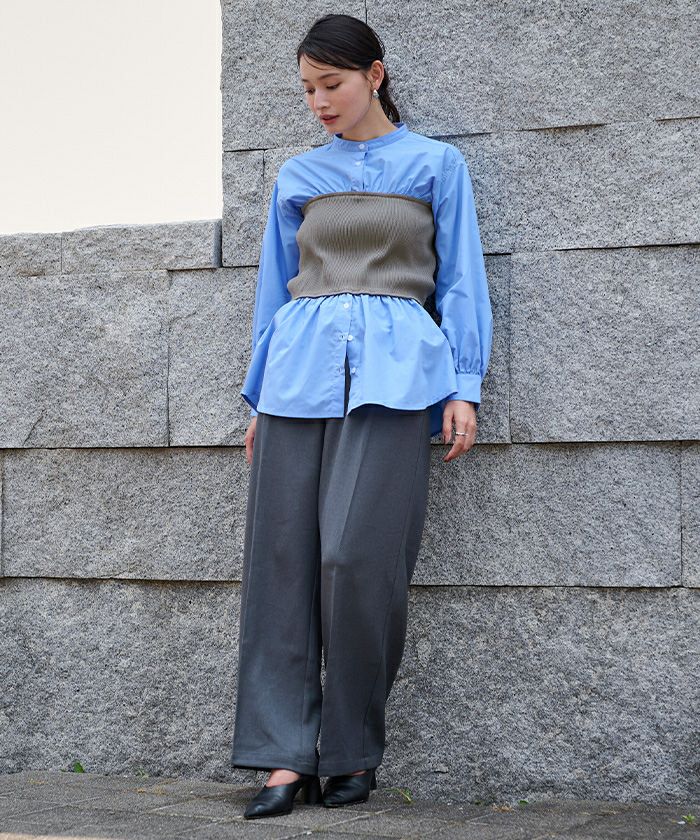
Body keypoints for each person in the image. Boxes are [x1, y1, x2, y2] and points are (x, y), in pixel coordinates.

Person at [230, 13, 493, 820]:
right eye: (308, 89)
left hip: (396, 379)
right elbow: (274, 289)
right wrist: (256, 396)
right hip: (294, 380)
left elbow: (461, 281)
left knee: (357, 561)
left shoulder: (435, 165)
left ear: (374, 75)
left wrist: (464, 385)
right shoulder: (299, 176)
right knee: (281, 568)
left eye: (332, 84)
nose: (319, 102)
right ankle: (283, 758)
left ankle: (351, 750)